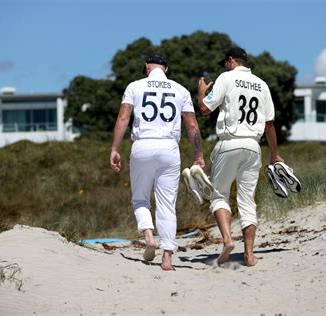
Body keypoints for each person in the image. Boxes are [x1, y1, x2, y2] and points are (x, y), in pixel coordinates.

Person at [110, 53, 205, 271]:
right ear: (166, 69)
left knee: (140, 199)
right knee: (167, 205)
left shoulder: (134, 87)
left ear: (146, 67)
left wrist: (115, 148)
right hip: (169, 148)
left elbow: (124, 118)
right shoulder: (180, 90)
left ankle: (149, 236)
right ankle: (167, 257)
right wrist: (198, 154)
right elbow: (191, 125)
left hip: (142, 145)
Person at [196, 47, 284, 267]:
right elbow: (269, 124)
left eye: (225, 63)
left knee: (219, 196)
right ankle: (249, 255)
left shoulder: (226, 78)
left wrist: (201, 93)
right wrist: (275, 153)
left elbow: (205, 109)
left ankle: (227, 240)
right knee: (247, 201)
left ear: (231, 60)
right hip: (254, 146)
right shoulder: (262, 84)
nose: (224, 66)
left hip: (230, 142)